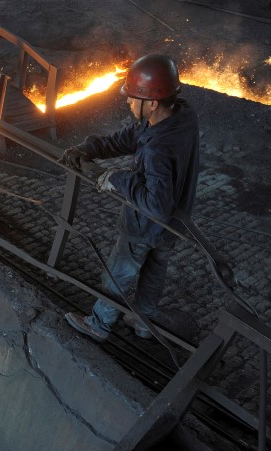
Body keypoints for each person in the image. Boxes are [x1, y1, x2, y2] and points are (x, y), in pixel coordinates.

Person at [60, 53, 199, 342]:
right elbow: (130, 137)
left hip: (146, 225)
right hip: (175, 223)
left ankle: (99, 324)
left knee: (119, 274)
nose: (128, 101)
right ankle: (144, 321)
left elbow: (155, 205)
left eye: (133, 97)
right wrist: (90, 148)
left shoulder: (157, 148)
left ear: (152, 103)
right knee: (155, 270)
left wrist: (117, 178)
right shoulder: (181, 117)